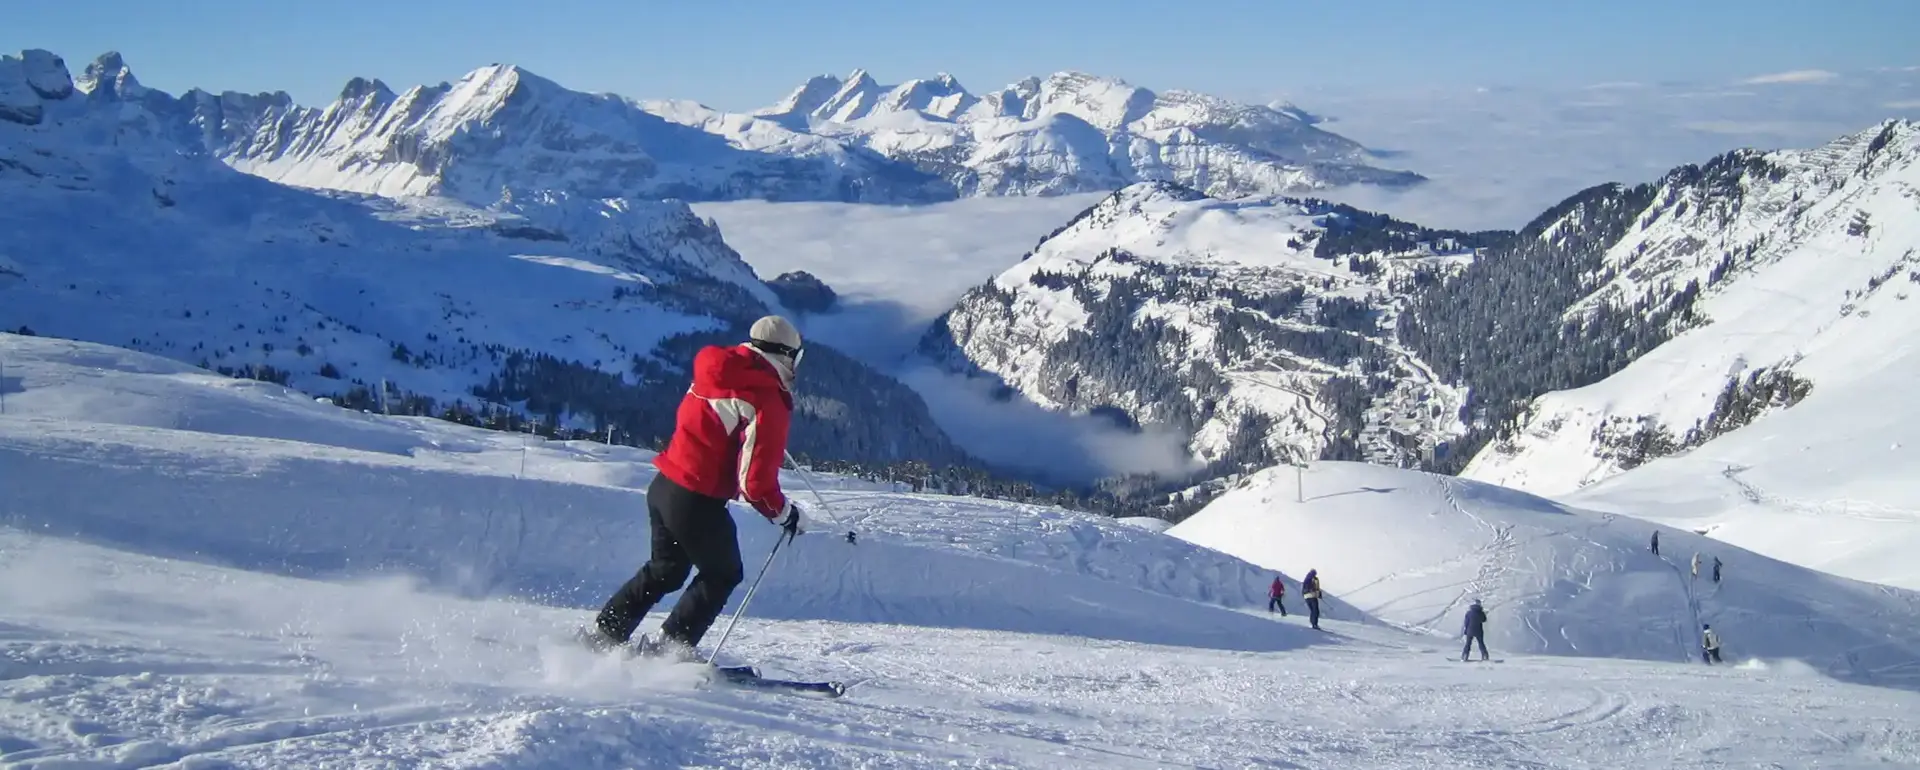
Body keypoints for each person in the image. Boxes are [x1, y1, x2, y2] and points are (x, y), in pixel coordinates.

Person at [582, 316, 813, 660]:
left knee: (667, 570)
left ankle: (604, 635)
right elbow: (755, 484)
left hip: (664, 486)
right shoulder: (766, 396)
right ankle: (668, 651)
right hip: (697, 500)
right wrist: (784, 514)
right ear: (786, 355)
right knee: (723, 572)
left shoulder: (717, 367)